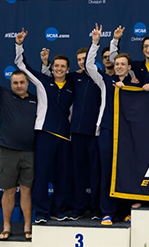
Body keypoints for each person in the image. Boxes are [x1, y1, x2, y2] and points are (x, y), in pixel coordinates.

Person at [14, 28, 74, 224]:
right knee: (41, 176)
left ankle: (59, 210)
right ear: (52, 67)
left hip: (65, 136)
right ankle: (41, 212)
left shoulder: (73, 87)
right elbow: (21, 65)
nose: (58, 69)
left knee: (62, 177)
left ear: (67, 69)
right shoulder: (43, 81)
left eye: (62, 66)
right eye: (56, 66)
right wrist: (19, 44)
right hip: (45, 134)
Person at [0, 42, 37, 240]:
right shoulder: (3, 95)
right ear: (10, 84)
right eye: (15, 83)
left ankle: (28, 227)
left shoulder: (37, 100)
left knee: (27, 191)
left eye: (22, 82)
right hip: (8, 151)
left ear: (27, 83)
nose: (19, 86)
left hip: (30, 152)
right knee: (9, 190)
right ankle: (6, 227)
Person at [40, 46, 102, 221]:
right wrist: (45, 63)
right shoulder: (73, 77)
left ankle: (97, 208)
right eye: (80, 59)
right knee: (77, 173)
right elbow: (50, 80)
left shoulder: (100, 77)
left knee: (96, 173)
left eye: (85, 58)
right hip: (75, 133)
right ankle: (78, 207)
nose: (83, 62)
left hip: (95, 133)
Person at [86, 24, 136, 226]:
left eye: (123, 64)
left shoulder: (135, 85)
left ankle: (124, 210)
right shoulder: (105, 81)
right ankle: (107, 212)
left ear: (129, 67)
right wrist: (95, 43)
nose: (120, 66)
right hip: (107, 130)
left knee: (124, 172)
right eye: (117, 64)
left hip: (126, 133)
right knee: (106, 172)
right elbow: (90, 66)